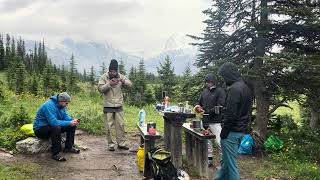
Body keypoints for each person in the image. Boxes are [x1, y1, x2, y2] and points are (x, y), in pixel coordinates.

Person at [215, 62, 253, 180]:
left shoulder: (234, 89)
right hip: (240, 130)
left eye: (223, 76)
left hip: (231, 132)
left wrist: (224, 132)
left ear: (228, 75)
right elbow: (244, 110)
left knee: (231, 165)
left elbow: (231, 114)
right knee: (226, 162)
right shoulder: (246, 87)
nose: (223, 79)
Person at [33, 92, 80, 162]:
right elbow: (53, 122)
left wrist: (72, 120)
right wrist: (68, 123)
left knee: (72, 126)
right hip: (40, 129)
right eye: (66, 103)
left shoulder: (61, 106)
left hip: (50, 127)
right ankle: (56, 153)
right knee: (56, 128)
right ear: (60, 101)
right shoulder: (48, 106)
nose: (67, 105)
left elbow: (65, 116)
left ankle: (68, 147)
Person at [98, 59, 132, 151]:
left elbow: (130, 85)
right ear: (109, 70)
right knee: (109, 127)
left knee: (120, 125)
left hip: (119, 105)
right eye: (111, 71)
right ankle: (111, 145)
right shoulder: (103, 77)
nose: (112, 73)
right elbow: (100, 89)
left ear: (117, 70)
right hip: (107, 105)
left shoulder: (121, 76)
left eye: (114, 71)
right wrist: (108, 84)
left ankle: (121, 144)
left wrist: (123, 81)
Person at [194, 73, 226, 166]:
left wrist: (207, 111)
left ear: (213, 82)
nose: (207, 84)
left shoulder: (220, 91)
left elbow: (220, 107)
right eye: (206, 82)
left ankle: (223, 162)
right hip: (205, 121)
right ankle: (210, 160)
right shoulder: (204, 91)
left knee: (220, 142)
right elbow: (199, 103)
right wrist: (198, 107)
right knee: (208, 143)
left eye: (209, 82)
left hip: (216, 121)